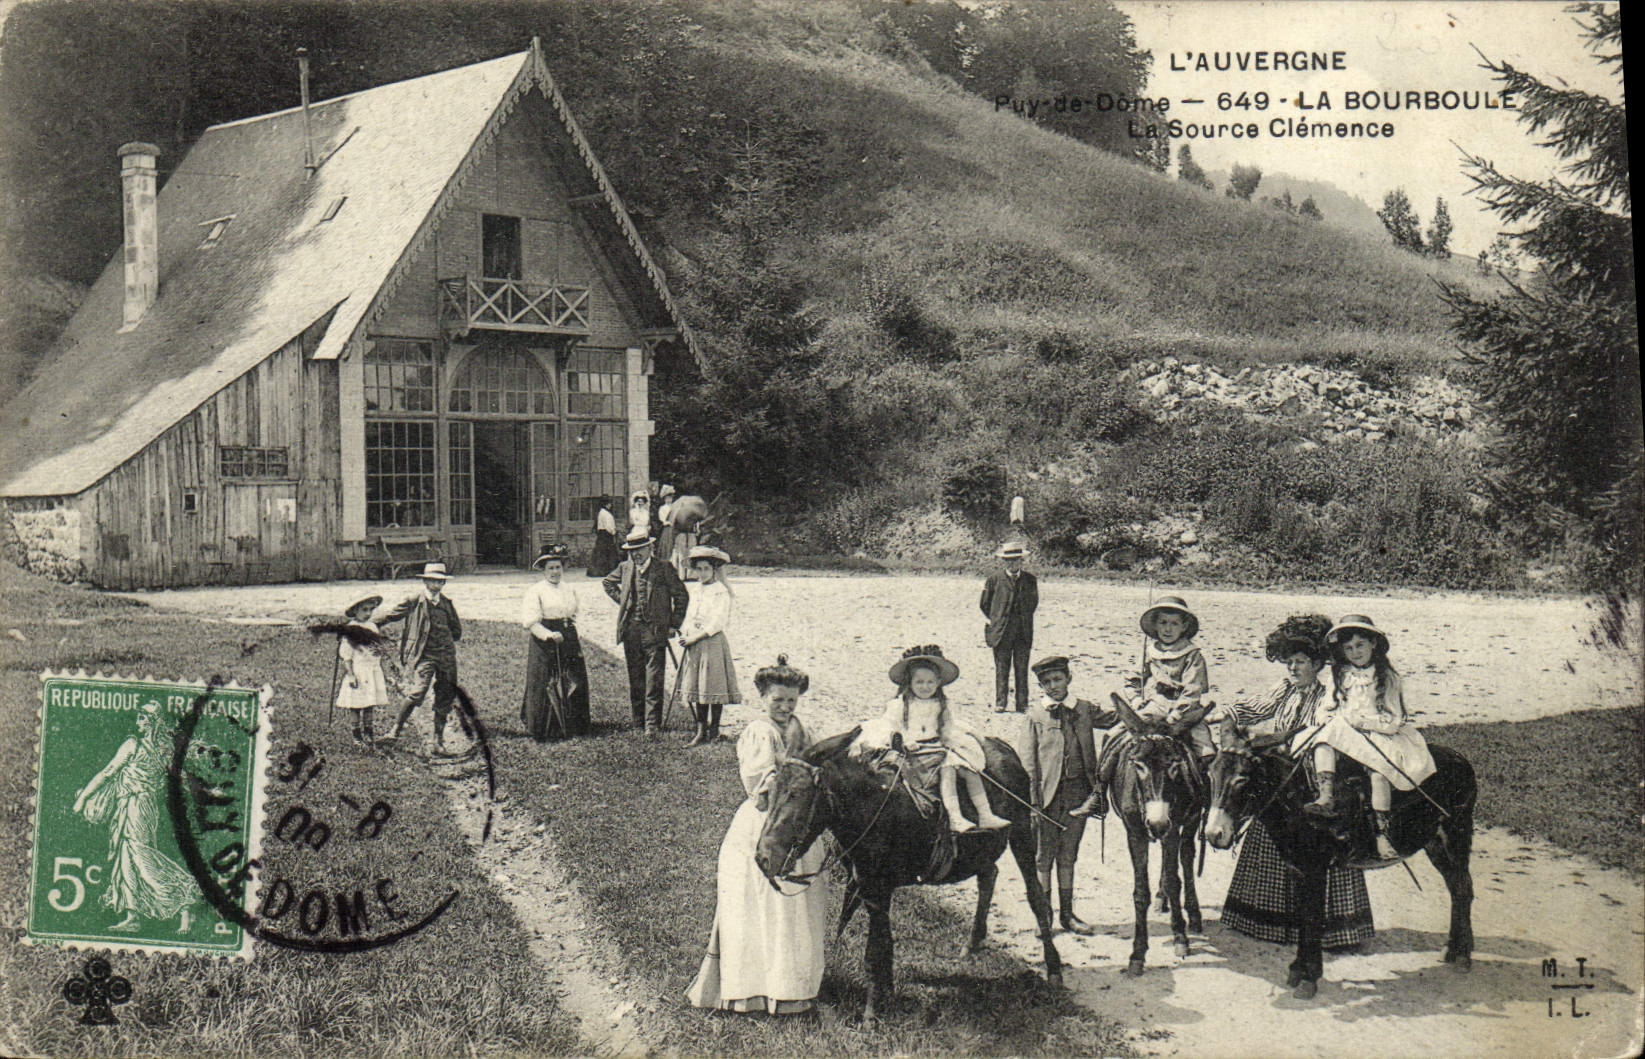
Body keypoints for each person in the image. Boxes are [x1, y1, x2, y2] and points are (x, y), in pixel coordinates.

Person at [686, 656, 830, 1015]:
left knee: (797, 905)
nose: (784, 707)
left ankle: (792, 986)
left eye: (791, 701)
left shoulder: (803, 730)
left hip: (798, 822)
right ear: (762, 697)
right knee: (759, 903)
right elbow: (762, 789)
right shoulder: (759, 732)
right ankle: (752, 988)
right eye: (777, 700)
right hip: (767, 822)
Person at [1220, 615, 1374, 949]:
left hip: (1315, 777)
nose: (1293, 668)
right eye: (1288, 661)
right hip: (1282, 779)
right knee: (1267, 823)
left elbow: (1315, 733)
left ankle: (1335, 929)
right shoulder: (1286, 688)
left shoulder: (1329, 692)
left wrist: (1267, 737)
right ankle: (1263, 920)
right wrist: (1231, 723)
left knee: (1320, 844)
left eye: (1300, 661)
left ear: (1318, 663)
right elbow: (1249, 708)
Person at [1300, 615, 1437, 859]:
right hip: (1344, 733)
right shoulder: (1339, 675)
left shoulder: (1388, 678)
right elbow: (1326, 706)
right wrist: (1328, 717)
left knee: (1378, 775)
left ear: (1373, 644)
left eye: (1360, 645)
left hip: (1379, 734)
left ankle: (1382, 834)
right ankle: (1326, 794)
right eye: (1349, 648)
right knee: (1321, 740)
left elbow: (1394, 719)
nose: (1355, 652)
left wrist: (1364, 722)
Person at [856, 645, 1011, 833]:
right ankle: (955, 817)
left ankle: (985, 814)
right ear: (909, 683)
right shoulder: (899, 705)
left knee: (970, 771)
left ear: (938, 682)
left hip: (937, 748)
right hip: (914, 752)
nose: (925, 687)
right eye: (919, 682)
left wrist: (953, 743)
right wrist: (903, 741)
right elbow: (890, 726)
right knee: (948, 771)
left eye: (930, 682)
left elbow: (947, 728)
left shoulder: (941, 704)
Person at [72, 701, 197, 932]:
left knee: (140, 856)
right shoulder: (164, 750)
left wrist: (82, 799)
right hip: (138, 807)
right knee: (127, 857)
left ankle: (184, 899)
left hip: (136, 806)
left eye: (142, 718)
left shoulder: (133, 745)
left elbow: (108, 772)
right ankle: (133, 917)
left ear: (151, 723)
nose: (138, 722)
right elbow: (182, 780)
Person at [1093, 595, 1219, 812]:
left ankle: (1208, 800)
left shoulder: (1192, 655)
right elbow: (1132, 681)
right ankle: (1099, 793)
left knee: (1206, 749)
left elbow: (1193, 690)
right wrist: (1136, 701)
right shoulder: (1149, 652)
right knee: (1113, 735)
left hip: (1184, 710)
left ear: (1184, 626)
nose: (1168, 629)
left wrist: (1176, 714)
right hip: (1152, 706)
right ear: (1155, 625)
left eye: (1174, 623)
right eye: (1163, 623)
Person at [1017, 655, 1114, 935]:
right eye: (1046, 682)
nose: (1053, 686)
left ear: (1068, 679)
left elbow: (1114, 720)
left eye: (1058, 679)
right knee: (1043, 856)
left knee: (1068, 855)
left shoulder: (1084, 709)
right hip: (1046, 797)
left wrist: (1139, 701)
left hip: (1078, 794)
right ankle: (1044, 916)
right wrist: (1033, 803)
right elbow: (1029, 763)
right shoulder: (1035, 715)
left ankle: (1068, 915)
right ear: (1041, 686)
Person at [602, 526, 689, 739]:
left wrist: (673, 624)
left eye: (640, 549)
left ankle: (652, 725)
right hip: (631, 630)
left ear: (650, 547)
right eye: (632, 550)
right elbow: (607, 583)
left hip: (655, 631)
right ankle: (638, 722)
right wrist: (625, 601)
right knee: (636, 678)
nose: (636, 554)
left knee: (654, 678)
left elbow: (681, 596)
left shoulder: (664, 568)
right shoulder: (625, 567)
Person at [375, 562, 466, 754]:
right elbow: (393, 615)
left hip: (446, 656)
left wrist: (446, 641)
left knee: (445, 695)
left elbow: (456, 630)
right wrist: (369, 624)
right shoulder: (415, 600)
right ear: (425, 581)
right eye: (432, 581)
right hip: (425, 655)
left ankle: (438, 740)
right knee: (417, 692)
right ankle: (394, 731)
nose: (436, 585)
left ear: (444, 584)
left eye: (440, 582)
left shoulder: (446, 604)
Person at [520, 544, 591, 740]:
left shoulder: (569, 589)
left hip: (567, 636)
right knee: (545, 679)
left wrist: (568, 631)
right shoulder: (536, 591)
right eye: (550, 568)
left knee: (573, 677)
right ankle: (545, 727)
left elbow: (574, 612)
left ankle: (574, 724)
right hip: (545, 639)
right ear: (543, 570)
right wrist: (548, 635)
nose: (554, 572)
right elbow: (531, 622)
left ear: (563, 568)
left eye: (558, 567)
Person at [678, 545, 742, 748]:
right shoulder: (696, 589)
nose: (702, 573)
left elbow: (717, 621)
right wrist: (685, 631)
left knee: (712, 685)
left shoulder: (721, 591)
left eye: (706, 569)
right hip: (694, 642)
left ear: (714, 570)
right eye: (699, 569)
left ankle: (714, 729)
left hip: (711, 641)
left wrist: (696, 637)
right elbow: (690, 614)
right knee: (698, 686)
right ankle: (700, 729)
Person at [980, 541, 1038, 712]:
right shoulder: (994, 580)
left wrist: (1022, 619)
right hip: (1001, 632)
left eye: (1016, 560)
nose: (1012, 564)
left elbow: (1033, 603)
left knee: (1022, 668)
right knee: (1001, 668)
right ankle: (1000, 702)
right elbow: (984, 604)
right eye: (1009, 561)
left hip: (1022, 632)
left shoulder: (1030, 580)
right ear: (1003, 562)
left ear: (1022, 561)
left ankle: (1022, 704)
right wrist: (998, 618)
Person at [335, 595, 390, 747]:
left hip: (371, 670)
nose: (368, 613)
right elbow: (346, 656)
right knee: (356, 704)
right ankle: (357, 736)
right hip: (358, 671)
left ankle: (369, 733)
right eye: (364, 610)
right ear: (355, 611)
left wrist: (378, 649)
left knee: (369, 703)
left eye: (370, 610)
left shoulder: (372, 627)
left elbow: (376, 648)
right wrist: (351, 675)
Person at [587, 496, 620, 578]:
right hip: (606, 535)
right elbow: (609, 527)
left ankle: (600, 571)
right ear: (605, 504)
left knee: (601, 552)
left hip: (601, 535)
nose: (610, 505)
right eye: (608, 504)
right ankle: (606, 570)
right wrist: (614, 532)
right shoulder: (606, 514)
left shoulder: (601, 512)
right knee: (607, 552)